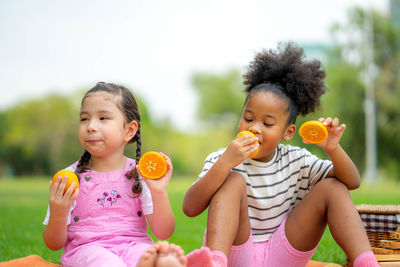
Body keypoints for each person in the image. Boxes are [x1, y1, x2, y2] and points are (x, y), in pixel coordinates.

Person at [182, 43, 380, 267]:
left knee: (332, 187)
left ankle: (366, 263)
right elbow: (190, 208)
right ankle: (215, 263)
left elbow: (351, 182)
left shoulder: (297, 160)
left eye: (267, 123)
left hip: (283, 255)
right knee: (232, 180)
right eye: (248, 119)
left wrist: (333, 148)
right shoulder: (223, 157)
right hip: (236, 255)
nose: (255, 127)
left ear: (288, 132)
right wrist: (226, 163)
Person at [42, 82, 176, 267]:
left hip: (135, 246)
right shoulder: (69, 177)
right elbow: (53, 244)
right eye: (84, 119)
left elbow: (163, 232)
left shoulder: (140, 174)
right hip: (87, 250)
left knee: (161, 260)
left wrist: (159, 192)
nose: (91, 126)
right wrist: (58, 212)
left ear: (129, 130)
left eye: (103, 118)